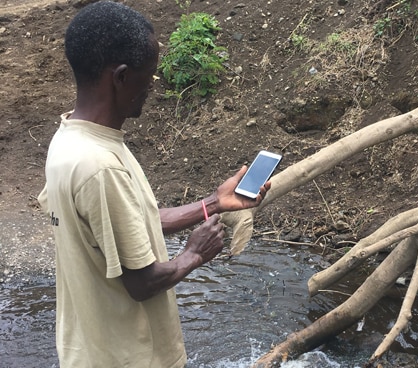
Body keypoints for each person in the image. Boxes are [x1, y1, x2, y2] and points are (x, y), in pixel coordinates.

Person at [37, 1, 270, 367]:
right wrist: (194, 253)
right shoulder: (100, 167)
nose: (152, 86)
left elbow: (128, 223)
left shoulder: (69, 140)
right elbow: (142, 283)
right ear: (121, 77)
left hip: (88, 352)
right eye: (149, 75)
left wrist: (214, 202)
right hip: (128, 358)